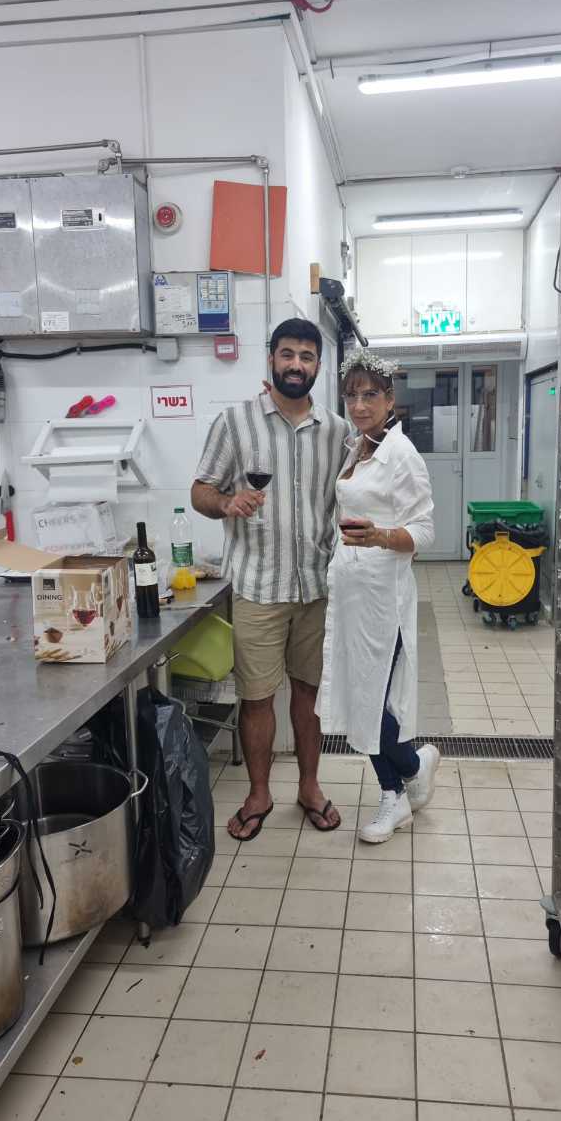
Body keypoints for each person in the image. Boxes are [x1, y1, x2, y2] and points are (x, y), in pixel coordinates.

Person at [192, 318, 349, 841]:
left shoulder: (337, 431)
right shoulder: (236, 423)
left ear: (318, 366)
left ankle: (309, 787)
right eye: (287, 354)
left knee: (309, 695)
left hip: (316, 588)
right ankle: (259, 794)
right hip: (258, 587)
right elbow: (200, 490)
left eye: (306, 356)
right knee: (257, 698)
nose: (296, 364)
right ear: (271, 358)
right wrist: (225, 503)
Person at [319, 349, 440, 843]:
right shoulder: (358, 448)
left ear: (391, 400)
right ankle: (399, 787)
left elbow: (425, 532)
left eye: (370, 394)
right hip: (350, 593)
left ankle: (407, 773)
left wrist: (380, 536)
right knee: (357, 696)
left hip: (381, 597)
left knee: (370, 700)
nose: (359, 404)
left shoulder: (401, 454)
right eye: (351, 395)